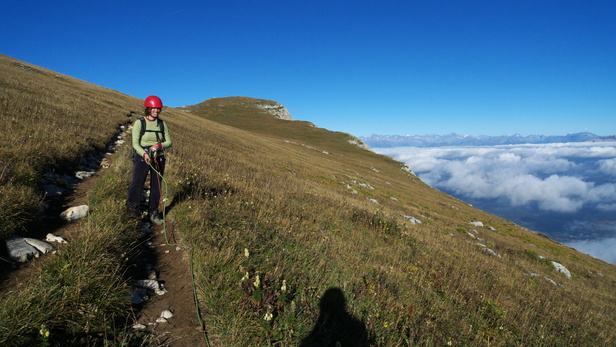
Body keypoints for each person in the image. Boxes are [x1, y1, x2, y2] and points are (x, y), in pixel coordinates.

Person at [126, 95, 172, 225]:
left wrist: (159, 145)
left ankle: (153, 213)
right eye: (154, 108)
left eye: (158, 108)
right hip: (143, 156)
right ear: (148, 108)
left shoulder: (162, 124)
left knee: (156, 186)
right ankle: (131, 212)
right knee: (137, 184)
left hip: (159, 156)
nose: (156, 110)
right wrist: (143, 154)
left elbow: (169, 142)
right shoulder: (140, 123)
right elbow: (135, 143)